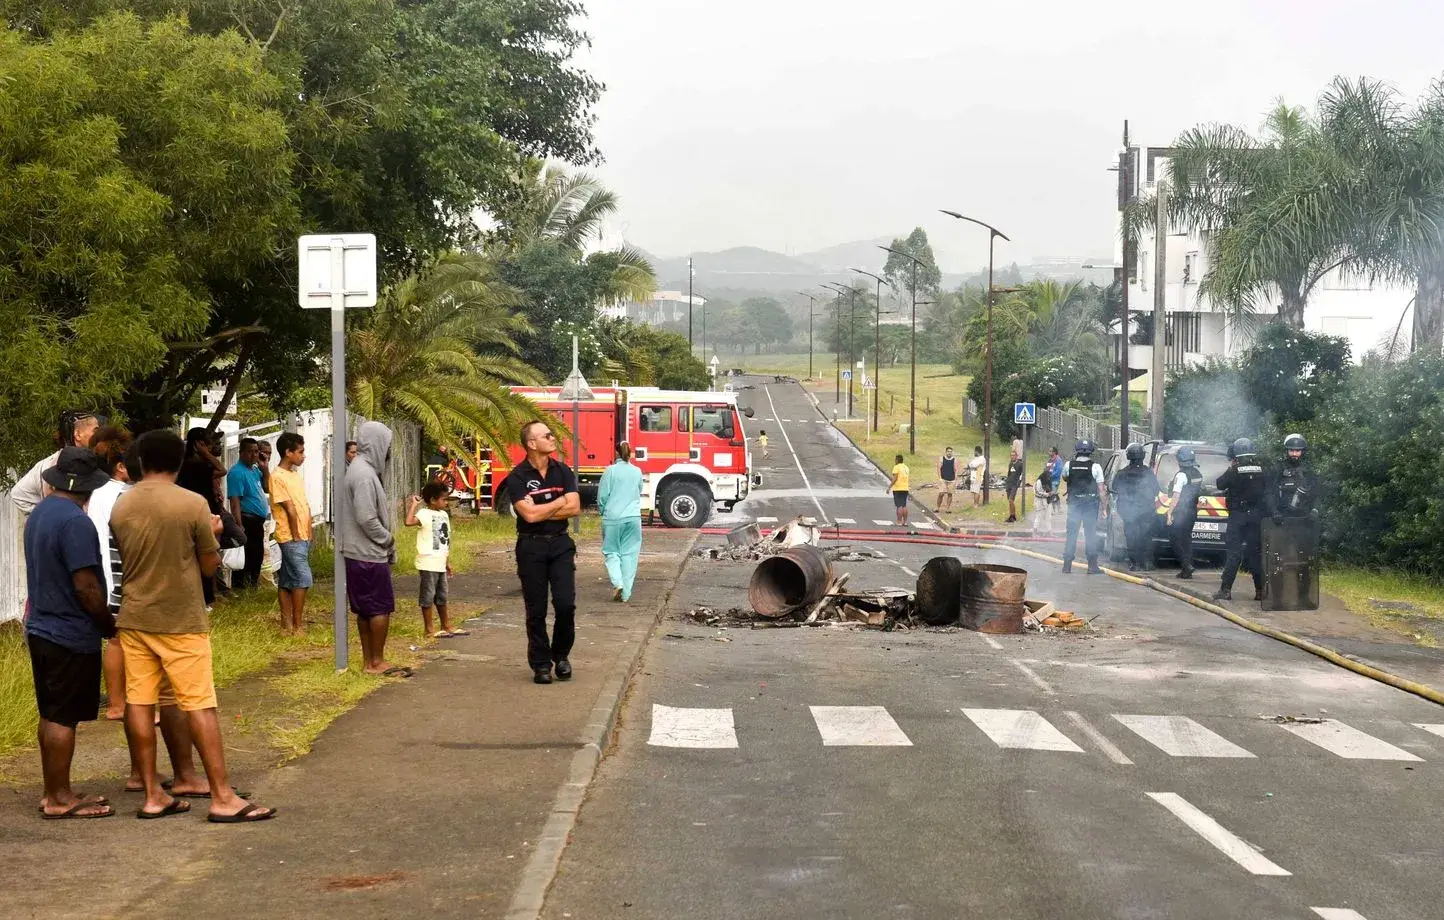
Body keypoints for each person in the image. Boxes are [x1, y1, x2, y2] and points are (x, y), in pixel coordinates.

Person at [111, 430, 274, 823]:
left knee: (140, 701)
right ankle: (222, 797)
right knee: (199, 703)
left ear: (141, 461)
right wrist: (213, 535)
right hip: (180, 618)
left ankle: (153, 794)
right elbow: (207, 565)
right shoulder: (191, 503)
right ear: (179, 462)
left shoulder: (122, 504)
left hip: (134, 616)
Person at [25, 447, 116, 819]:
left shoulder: (41, 512)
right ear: (90, 485)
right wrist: (107, 623)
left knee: (51, 713)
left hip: (40, 626)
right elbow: (87, 586)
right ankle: (59, 798)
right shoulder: (76, 522)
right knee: (64, 717)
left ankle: (54, 790)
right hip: (68, 630)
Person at [505, 420, 582, 685]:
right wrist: (559, 501)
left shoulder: (563, 471)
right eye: (546, 435)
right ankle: (540, 664)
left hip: (561, 544)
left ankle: (561, 656)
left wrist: (541, 508)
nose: (552, 438)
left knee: (565, 604)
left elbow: (574, 508)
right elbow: (528, 516)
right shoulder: (517, 477)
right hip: (531, 547)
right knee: (535, 609)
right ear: (531, 443)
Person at [341, 421, 405, 676]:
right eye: (386, 445)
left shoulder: (359, 469)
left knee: (366, 610)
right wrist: (387, 539)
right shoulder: (365, 475)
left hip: (359, 552)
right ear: (376, 443)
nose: (388, 451)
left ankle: (370, 661)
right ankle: (376, 661)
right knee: (379, 608)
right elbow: (367, 518)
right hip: (368, 553)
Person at [86, 426, 133, 721]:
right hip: (121, 574)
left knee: (115, 640)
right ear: (120, 466)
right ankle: (129, 702)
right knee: (127, 641)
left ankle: (117, 703)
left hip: (102, 573)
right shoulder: (124, 494)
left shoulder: (96, 492)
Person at [406, 482, 468, 638]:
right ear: (433, 500)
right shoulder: (424, 513)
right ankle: (429, 629)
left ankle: (446, 625)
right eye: (444, 499)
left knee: (442, 596)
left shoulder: (444, 515)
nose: (446, 502)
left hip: (440, 561)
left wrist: (447, 562)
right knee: (428, 595)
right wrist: (414, 505)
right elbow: (408, 522)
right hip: (428, 562)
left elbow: (445, 541)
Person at [11, 410, 102, 515]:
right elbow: (18, 494)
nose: (99, 436)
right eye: (95, 431)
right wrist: (45, 515)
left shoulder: (45, 464)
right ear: (78, 435)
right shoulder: (48, 465)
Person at [178, 428, 229, 607]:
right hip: (203, 514)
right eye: (207, 444)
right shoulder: (196, 465)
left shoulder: (188, 464)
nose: (210, 447)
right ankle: (208, 597)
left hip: (200, 513)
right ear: (198, 444)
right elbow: (222, 469)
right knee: (207, 554)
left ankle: (210, 594)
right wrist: (206, 454)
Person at [1213, 438, 1268, 602]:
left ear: (1236, 454)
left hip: (1237, 517)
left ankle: (1225, 590)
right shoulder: (1262, 469)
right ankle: (1260, 591)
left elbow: (1220, 484)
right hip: (1256, 517)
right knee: (1255, 554)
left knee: (1234, 554)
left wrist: (1232, 467)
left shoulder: (1234, 470)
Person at [269, 432, 312, 636]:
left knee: (287, 580)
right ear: (288, 452)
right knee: (303, 578)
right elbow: (289, 508)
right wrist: (296, 535)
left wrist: (308, 530)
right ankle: (297, 626)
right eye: (300, 452)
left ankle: (285, 625)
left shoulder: (294, 475)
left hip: (302, 535)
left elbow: (304, 504)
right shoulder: (277, 476)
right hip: (290, 536)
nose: (303, 456)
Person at [598, 442, 644, 603]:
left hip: (613, 517)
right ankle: (626, 594)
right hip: (633, 518)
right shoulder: (637, 471)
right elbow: (639, 490)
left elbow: (603, 496)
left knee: (611, 551)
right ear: (629, 453)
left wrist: (603, 511)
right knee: (630, 555)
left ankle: (618, 584)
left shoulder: (610, 471)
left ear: (616, 453)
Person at [226, 438, 268, 590]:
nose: (253, 455)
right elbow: (235, 501)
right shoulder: (237, 472)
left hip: (257, 521)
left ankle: (252, 585)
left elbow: (267, 487)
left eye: (256, 452)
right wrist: (239, 524)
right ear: (241, 452)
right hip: (246, 520)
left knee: (257, 555)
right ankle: (241, 588)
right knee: (246, 556)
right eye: (250, 452)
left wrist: (265, 469)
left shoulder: (255, 470)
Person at [1111, 443, 1161, 571]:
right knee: (1147, 536)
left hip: (1129, 511)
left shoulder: (1122, 473)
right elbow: (1156, 490)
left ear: (1128, 456)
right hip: (1146, 510)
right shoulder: (1149, 473)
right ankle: (1147, 563)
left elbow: (1115, 488)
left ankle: (1135, 564)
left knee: (1131, 536)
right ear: (1143, 455)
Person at [1061, 439, 1107, 575]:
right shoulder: (1096, 467)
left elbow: (1065, 478)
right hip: (1090, 506)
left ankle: (1066, 566)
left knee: (1071, 535)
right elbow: (1101, 490)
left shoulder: (1068, 465)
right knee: (1090, 535)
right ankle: (1092, 567)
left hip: (1074, 504)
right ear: (1091, 452)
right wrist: (1104, 508)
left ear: (1077, 450)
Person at [1166, 446, 1204, 579]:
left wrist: (1170, 513)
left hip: (1181, 511)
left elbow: (1176, 496)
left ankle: (1186, 565)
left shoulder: (1181, 475)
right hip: (1192, 511)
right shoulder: (1197, 474)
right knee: (1186, 539)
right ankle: (1187, 568)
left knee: (1174, 538)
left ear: (1180, 461)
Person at [1274, 433, 1319, 520]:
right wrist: (1274, 511)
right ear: (1287, 451)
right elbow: (1270, 492)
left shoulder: (1308, 470)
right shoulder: (1279, 469)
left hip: (1305, 517)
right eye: (1291, 450)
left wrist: (1315, 509)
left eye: (1297, 451)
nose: (1294, 454)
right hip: (1282, 516)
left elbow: (1316, 492)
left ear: (1302, 452)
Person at [1030, 467, 1057, 534]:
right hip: (1039, 501)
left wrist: (1052, 494)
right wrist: (1047, 494)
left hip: (1047, 501)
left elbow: (1050, 490)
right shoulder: (1039, 481)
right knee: (1038, 516)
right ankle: (1035, 530)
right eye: (1048, 475)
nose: (1049, 476)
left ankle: (1049, 531)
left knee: (1048, 517)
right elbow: (1036, 493)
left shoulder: (1049, 481)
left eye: (1050, 475)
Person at [887, 453, 910, 526]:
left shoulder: (896, 467)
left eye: (895, 460)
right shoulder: (906, 467)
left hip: (898, 488)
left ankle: (899, 521)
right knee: (904, 505)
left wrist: (889, 487)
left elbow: (895, 478)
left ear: (897, 460)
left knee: (899, 506)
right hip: (905, 488)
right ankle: (905, 522)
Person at [1004, 445, 1025, 523]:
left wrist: (1019, 483)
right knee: (1009, 501)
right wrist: (1007, 482)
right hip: (1009, 484)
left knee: (1011, 499)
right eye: (1011, 455)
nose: (1012, 457)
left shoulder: (1020, 464)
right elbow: (1009, 473)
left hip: (1014, 484)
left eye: (1014, 455)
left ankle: (1014, 516)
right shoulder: (1010, 464)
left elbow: (1022, 474)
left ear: (1017, 456)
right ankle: (1011, 515)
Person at [936, 447, 958, 514]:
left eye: (951, 451)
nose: (949, 453)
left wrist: (955, 479)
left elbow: (956, 469)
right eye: (948, 451)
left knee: (950, 494)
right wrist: (940, 478)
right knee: (941, 494)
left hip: (951, 480)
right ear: (946, 452)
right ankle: (937, 507)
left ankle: (947, 509)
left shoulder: (954, 460)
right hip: (943, 479)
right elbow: (939, 468)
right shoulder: (942, 459)